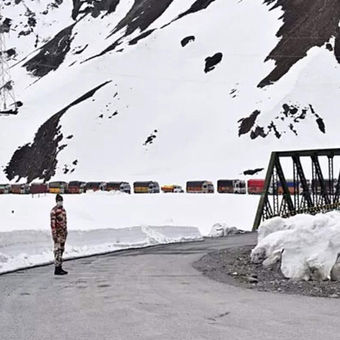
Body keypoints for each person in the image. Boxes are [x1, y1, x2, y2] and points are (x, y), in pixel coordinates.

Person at [50, 194, 68, 275]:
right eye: (59, 201)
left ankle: (60, 267)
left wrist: (65, 231)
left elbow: (65, 221)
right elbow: (53, 223)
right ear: (56, 201)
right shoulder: (54, 211)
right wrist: (54, 234)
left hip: (63, 233)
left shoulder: (63, 210)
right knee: (57, 251)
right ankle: (57, 268)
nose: (60, 202)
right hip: (57, 234)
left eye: (61, 201)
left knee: (61, 250)